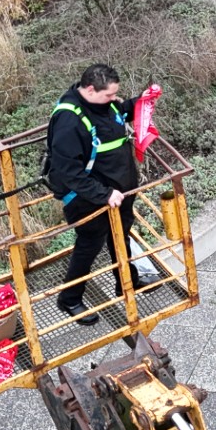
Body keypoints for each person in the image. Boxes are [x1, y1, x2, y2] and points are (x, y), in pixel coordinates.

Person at [47, 63, 149, 326]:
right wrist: (103, 194)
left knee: (121, 235)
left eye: (115, 95)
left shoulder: (102, 104)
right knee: (90, 243)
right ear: (90, 89)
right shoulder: (69, 121)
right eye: (109, 95)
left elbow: (116, 115)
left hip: (119, 190)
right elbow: (69, 171)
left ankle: (127, 281)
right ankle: (70, 298)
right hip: (88, 197)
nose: (114, 99)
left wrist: (140, 103)